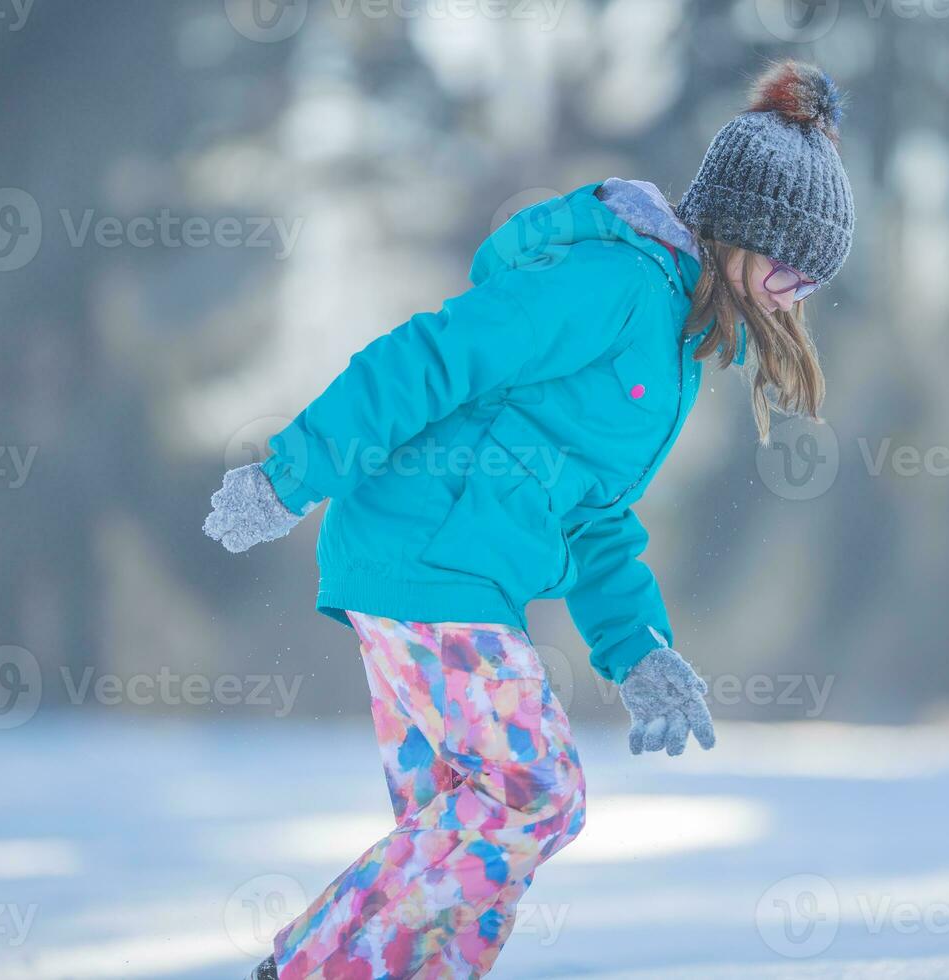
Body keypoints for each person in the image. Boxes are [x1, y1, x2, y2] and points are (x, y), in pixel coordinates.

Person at [204, 58, 854, 980]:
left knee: (464, 841)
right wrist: (291, 472)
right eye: (790, 267)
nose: (795, 295)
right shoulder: (614, 286)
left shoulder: (670, 349)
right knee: (532, 795)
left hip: (449, 573)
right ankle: (308, 967)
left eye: (811, 284)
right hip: (428, 557)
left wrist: (641, 651)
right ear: (743, 236)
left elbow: (595, 520)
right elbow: (433, 356)